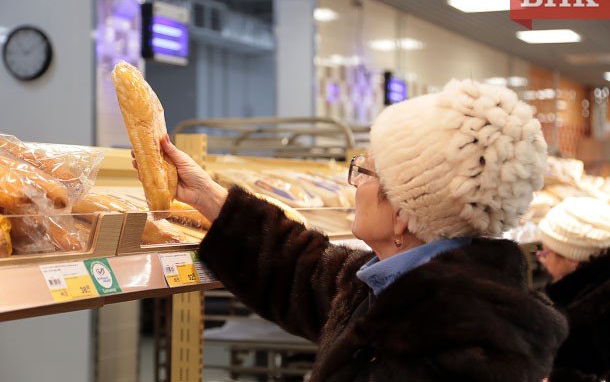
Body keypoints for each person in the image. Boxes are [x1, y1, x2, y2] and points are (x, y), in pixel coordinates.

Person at [137, 79, 568, 381]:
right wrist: (210, 198)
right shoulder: (409, 286)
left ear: (402, 213)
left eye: (364, 172)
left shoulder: (448, 346)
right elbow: (301, 272)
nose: (355, 183)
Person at [538, 196, 610, 381]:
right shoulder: (585, 289)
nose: (540, 257)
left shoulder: (596, 311)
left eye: (546, 252)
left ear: (572, 260)